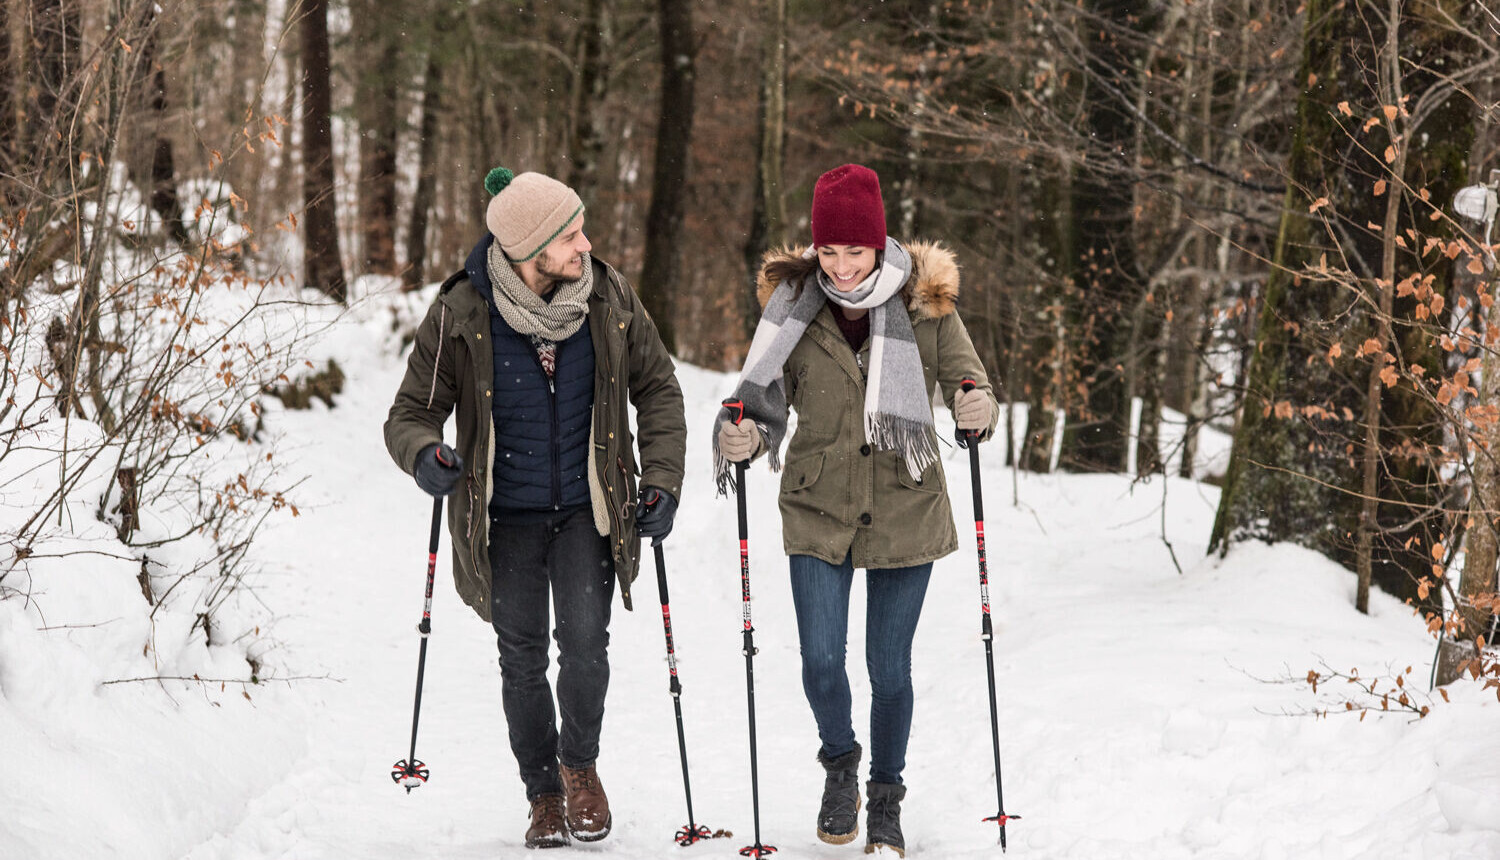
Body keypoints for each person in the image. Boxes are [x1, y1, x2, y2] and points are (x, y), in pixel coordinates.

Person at [385, 166, 686, 849]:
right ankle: (543, 793)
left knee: (584, 649)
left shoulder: (606, 298)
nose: (586, 244)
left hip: (589, 511)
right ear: (531, 250)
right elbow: (411, 411)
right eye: (571, 234)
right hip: (505, 519)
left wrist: (662, 478)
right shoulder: (463, 311)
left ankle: (580, 769)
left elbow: (659, 389)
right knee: (520, 661)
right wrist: (425, 454)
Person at [712, 163, 999, 857]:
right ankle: (840, 765)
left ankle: (887, 797)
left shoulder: (928, 304)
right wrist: (743, 434)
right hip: (819, 503)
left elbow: (972, 380)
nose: (841, 268)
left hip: (906, 504)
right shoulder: (790, 307)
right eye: (829, 251)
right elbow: (757, 397)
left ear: (879, 244)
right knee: (818, 661)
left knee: (888, 667)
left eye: (856, 251)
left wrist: (975, 405)